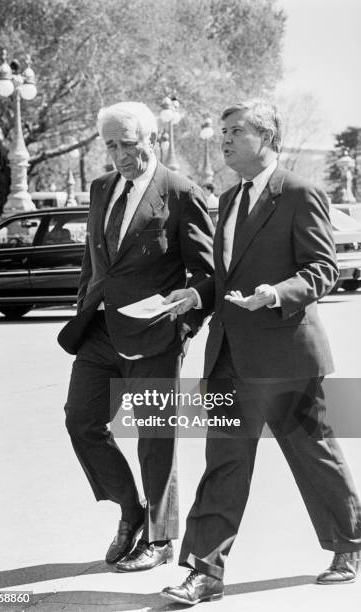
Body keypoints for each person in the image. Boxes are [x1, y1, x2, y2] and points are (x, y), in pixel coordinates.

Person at [161, 99, 361, 605]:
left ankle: (350, 543)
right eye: (222, 131)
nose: (223, 139)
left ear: (265, 137)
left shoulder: (298, 192)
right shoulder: (226, 200)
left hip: (287, 353)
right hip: (228, 353)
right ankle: (204, 572)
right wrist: (197, 295)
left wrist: (274, 294)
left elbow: (322, 269)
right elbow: (223, 278)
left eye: (233, 131)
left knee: (313, 454)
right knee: (223, 464)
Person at [60, 101, 214, 572]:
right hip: (100, 332)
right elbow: (95, 254)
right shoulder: (101, 187)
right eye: (111, 145)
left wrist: (181, 328)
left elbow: (207, 275)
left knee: (154, 436)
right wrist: (85, 299)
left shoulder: (181, 192)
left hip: (155, 336)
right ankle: (132, 511)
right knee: (81, 423)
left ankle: (161, 539)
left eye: (129, 144)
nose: (121, 154)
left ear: (152, 139)